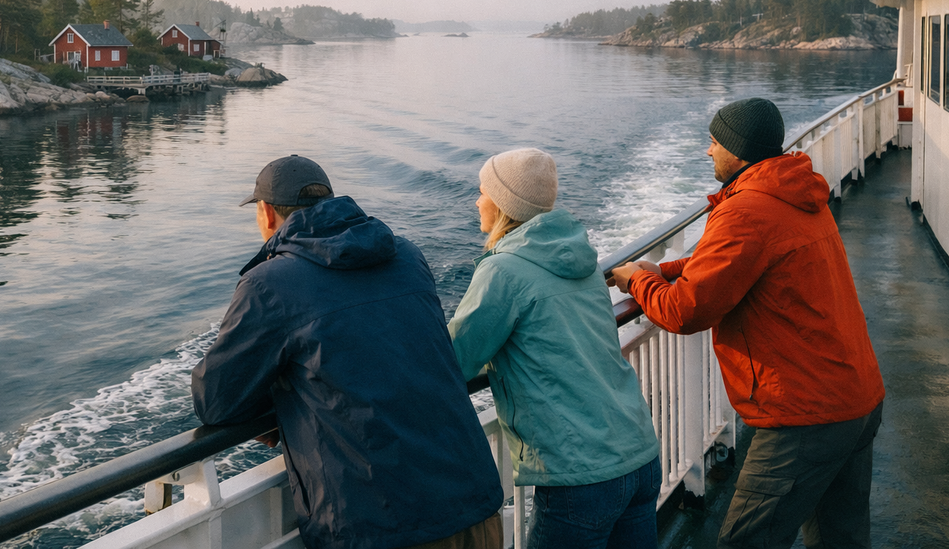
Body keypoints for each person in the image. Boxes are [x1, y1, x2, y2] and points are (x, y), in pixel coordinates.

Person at [608, 98, 885, 549]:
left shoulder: (745, 211)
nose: (708, 152)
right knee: (841, 540)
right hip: (856, 396)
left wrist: (639, 280)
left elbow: (685, 310)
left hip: (805, 415)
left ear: (738, 151)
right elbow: (730, 261)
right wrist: (668, 269)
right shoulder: (793, 192)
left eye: (714, 142)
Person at [191, 155, 504, 549]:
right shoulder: (407, 255)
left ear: (267, 213)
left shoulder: (270, 284)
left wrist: (282, 397)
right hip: (473, 499)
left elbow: (216, 402)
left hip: (381, 526)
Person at [447, 148, 662, 549]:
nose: (477, 201)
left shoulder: (503, 271)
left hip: (581, 476)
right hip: (639, 454)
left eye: (482, 192)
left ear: (504, 203)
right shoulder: (581, 257)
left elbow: (452, 361)